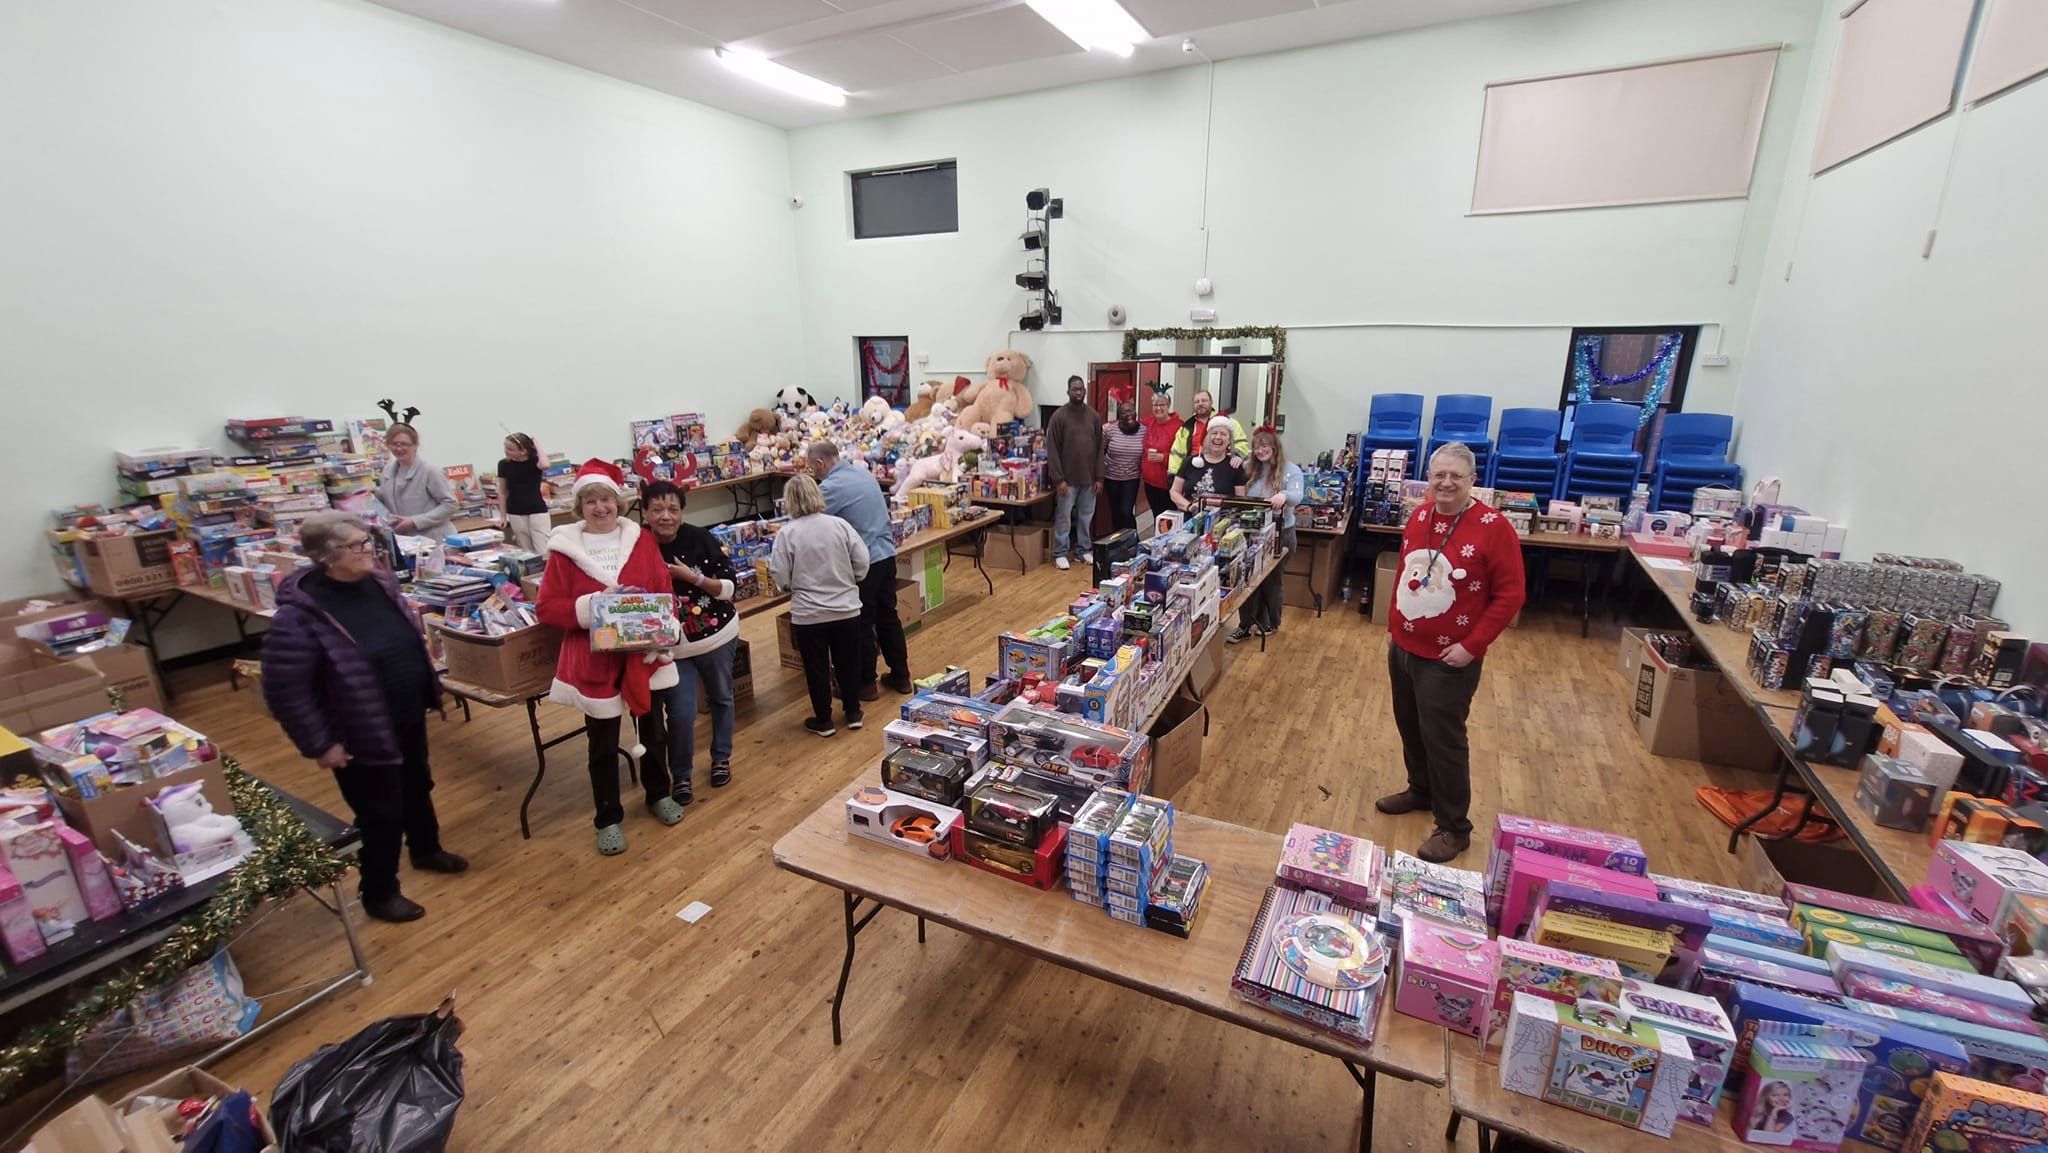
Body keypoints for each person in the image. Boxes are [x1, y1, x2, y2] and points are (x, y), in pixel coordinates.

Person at [263, 512, 467, 923]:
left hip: (405, 712)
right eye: (357, 545)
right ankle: (379, 891)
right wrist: (321, 744)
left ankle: (426, 849)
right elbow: (285, 690)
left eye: (368, 542)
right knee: (380, 811)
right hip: (357, 730)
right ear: (325, 556)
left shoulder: (379, 583)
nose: (368, 551)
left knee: (416, 784)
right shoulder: (300, 615)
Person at [1376, 442, 1526, 863]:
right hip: (1404, 647)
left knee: (1444, 740)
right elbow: (1408, 574)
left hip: (1449, 659)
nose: (1445, 482)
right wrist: (1393, 627)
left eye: (1455, 476)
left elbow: (1511, 595)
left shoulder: (1493, 526)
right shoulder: (1420, 514)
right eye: (1438, 474)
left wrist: (1472, 646)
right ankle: (1420, 791)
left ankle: (1455, 828)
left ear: (1472, 480)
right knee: (1410, 725)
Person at [535, 459, 682, 856]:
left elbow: (664, 590)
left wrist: (665, 623)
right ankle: (607, 817)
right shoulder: (565, 551)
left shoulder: (643, 540)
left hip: (644, 655)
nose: (600, 508)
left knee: (655, 732)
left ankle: (658, 793)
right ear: (579, 507)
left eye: (606, 500)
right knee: (601, 745)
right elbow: (547, 608)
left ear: (618, 503)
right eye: (591, 502)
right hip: (595, 662)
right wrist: (590, 606)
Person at [640, 480, 740, 800]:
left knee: (721, 697)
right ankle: (681, 774)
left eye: (672, 509)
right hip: (671, 648)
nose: (665, 516)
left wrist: (691, 577)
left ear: (682, 512)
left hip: (716, 636)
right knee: (681, 713)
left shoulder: (701, 539)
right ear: (644, 513)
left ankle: (721, 757)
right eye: (657, 509)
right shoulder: (638, 547)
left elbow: (728, 588)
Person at [808, 440, 912, 698]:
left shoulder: (831, 487)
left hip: (864, 562)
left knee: (862, 622)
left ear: (820, 463)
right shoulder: (862, 472)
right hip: (886, 554)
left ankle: (865, 682)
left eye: (813, 468)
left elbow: (807, 520)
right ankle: (901, 675)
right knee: (888, 616)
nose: (814, 474)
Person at [769, 473, 870, 737]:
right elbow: (862, 560)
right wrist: (852, 579)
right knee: (848, 661)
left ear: (789, 501)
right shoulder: (839, 525)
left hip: (809, 613)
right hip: (846, 608)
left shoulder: (787, 534)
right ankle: (853, 711)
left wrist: (789, 586)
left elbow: (779, 574)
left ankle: (823, 719)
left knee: (816, 668)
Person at [1230, 426, 1304, 644]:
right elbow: (1235, 473)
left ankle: (1270, 622)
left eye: (1264, 446)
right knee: (1246, 579)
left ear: (1274, 446)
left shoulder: (1291, 471)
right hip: (1252, 533)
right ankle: (1245, 624)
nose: (1260, 451)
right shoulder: (1251, 468)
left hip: (1282, 534)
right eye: (1256, 447)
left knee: (1271, 580)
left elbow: (1297, 495)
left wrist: (1284, 494)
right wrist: (1235, 459)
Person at [1044, 374, 1105, 570]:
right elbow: (1052, 450)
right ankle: (1060, 552)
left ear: (1085, 391)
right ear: (1068, 391)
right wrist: (1058, 479)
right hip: (1067, 481)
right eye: (1074, 389)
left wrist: (1099, 477)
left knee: (1086, 516)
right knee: (1064, 517)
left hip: (1089, 479)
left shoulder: (1094, 416)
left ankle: (1083, 550)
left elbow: (1099, 449)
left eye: (1081, 389)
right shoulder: (1059, 417)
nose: (1078, 392)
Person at [374, 423, 459, 541]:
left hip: (435, 540)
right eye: (394, 444)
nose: (399, 448)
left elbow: (451, 505)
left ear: (415, 445)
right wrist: (370, 495)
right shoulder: (387, 472)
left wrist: (415, 522)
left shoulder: (430, 471)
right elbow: (386, 503)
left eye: (404, 444)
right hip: (407, 542)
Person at [1166, 389, 1249, 475]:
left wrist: (1236, 455)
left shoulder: (1227, 421)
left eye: (1204, 400)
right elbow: (1176, 453)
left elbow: (1241, 443)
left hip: (1221, 471)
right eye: (1197, 402)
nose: (1200, 403)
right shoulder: (1186, 427)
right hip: (1193, 471)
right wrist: (1173, 473)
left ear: (1211, 402)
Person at [1171, 421, 1246, 510]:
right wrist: (1189, 507)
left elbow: (1240, 500)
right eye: (1214, 433)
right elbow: (1174, 492)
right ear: (1207, 437)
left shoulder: (1235, 466)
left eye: (1223, 434)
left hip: (1220, 520)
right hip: (1189, 517)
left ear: (1229, 440)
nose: (1218, 437)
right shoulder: (1190, 462)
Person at [496, 433, 551, 553]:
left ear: (523, 451)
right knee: (526, 551)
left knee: (543, 549)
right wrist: (502, 516)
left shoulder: (535, 462)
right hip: (515, 511)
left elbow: (546, 464)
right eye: (506, 448)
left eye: (511, 449)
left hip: (537, 510)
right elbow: (502, 492)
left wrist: (536, 443)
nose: (506, 452)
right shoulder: (504, 464)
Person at [1100, 400, 1147, 533]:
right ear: (1118, 416)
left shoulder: (1144, 431)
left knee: (1126, 511)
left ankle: (1133, 540)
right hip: (1111, 477)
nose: (1129, 414)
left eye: (1131, 410)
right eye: (1124, 412)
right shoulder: (1110, 431)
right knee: (1115, 512)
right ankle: (1118, 543)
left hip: (1131, 478)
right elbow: (1101, 450)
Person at [1140, 390, 1180, 522]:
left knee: (1169, 518)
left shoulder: (1178, 426)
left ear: (1168, 405)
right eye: (1155, 405)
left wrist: (1164, 458)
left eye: (1162, 404)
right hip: (1150, 482)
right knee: (1157, 516)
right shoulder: (1149, 422)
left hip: (1167, 482)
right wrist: (1110, 424)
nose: (1158, 408)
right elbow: (1130, 422)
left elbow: (1182, 455)